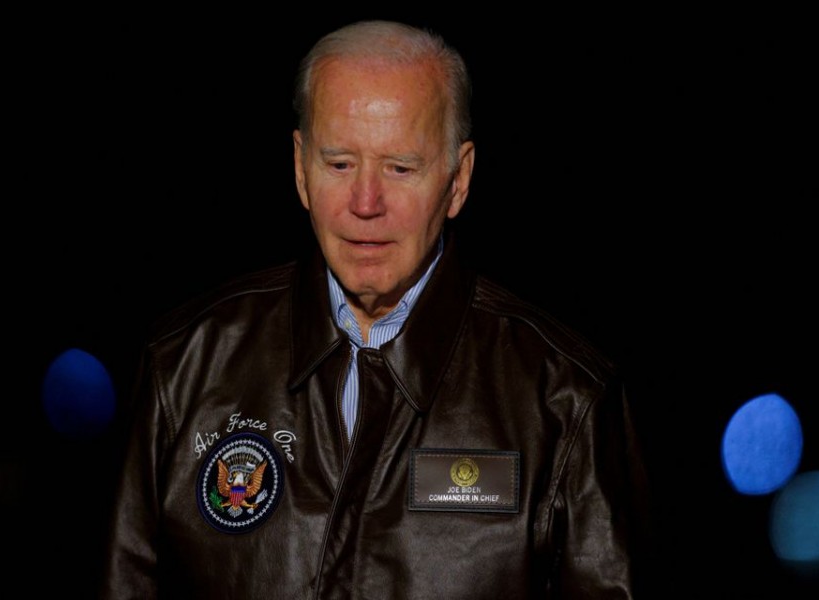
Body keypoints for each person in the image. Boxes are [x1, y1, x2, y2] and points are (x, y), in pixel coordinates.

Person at [101, 19, 651, 599]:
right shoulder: (184, 367)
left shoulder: (564, 401)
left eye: (400, 168)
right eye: (339, 164)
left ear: (458, 179)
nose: (366, 204)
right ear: (299, 168)